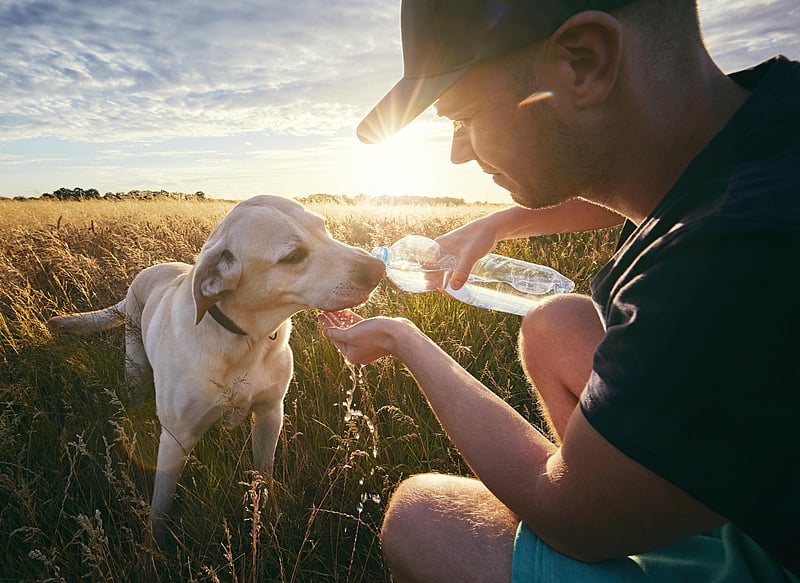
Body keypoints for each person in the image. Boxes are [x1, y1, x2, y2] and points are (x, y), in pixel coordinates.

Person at [320, 0, 800, 580]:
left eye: (463, 116)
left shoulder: (731, 257)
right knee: (555, 323)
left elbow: (572, 519)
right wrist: (499, 223)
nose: (458, 151)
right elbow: (642, 175)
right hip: (765, 486)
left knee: (420, 516)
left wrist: (406, 341)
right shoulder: (763, 121)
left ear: (583, 61)